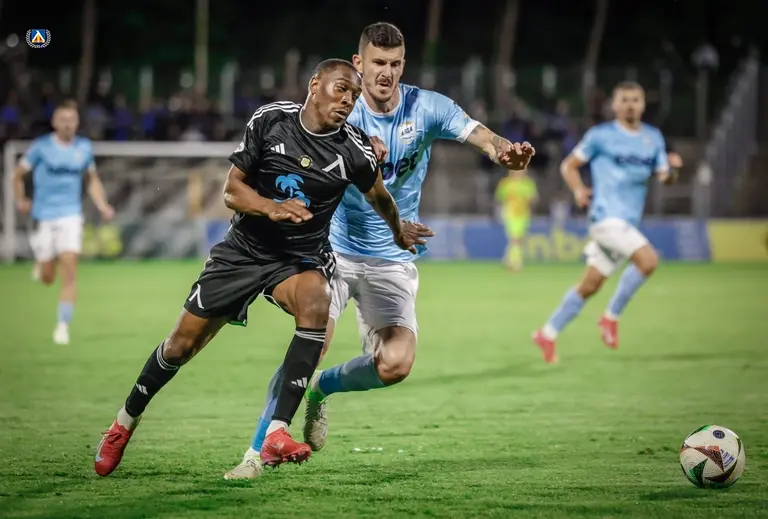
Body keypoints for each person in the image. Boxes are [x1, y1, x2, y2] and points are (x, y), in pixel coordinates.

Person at [225, 22, 534, 480]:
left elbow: (481, 135)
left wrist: (505, 152)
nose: (385, 72)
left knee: (395, 364)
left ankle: (321, 390)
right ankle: (255, 452)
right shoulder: (340, 108)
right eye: (377, 63)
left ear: (403, 66)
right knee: (312, 343)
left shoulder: (427, 107)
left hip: (393, 254)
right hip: (332, 248)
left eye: (394, 64)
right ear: (359, 63)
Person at [93, 58, 430, 477]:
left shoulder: (354, 149)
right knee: (180, 347)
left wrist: (398, 230)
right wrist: (272, 207)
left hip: (299, 258)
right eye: (341, 89)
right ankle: (124, 422)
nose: (348, 100)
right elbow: (232, 191)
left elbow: (378, 194)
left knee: (317, 301)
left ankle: (276, 432)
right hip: (244, 252)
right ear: (314, 85)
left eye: (354, 95)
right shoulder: (272, 120)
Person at [532, 81, 683, 364]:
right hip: (605, 218)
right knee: (648, 261)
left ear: (643, 104)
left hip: (627, 223)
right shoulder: (601, 136)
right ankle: (611, 317)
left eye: (635, 100)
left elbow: (665, 177)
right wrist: (578, 190)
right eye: (624, 100)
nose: (630, 105)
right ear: (614, 105)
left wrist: (673, 170)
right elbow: (569, 165)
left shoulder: (653, 138)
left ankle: (547, 333)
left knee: (590, 284)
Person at [13, 99, 114, 345]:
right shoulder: (41, 147)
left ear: (77, 122)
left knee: (69, 270)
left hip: (71, 215)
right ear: (54, 122)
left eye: (72, 120)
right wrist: (21, 199)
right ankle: (42, 264)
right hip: (43, 216)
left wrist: (102, 205)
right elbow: (17, 175)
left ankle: (62, 326)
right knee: (48, 278)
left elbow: (91, 179)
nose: (68, 124)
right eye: (63, 119)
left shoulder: (83, 148)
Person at [495, 170, 538, 271]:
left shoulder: (528, 183)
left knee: (518, 239)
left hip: (523, 215)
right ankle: (516, 262)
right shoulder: (506, 183)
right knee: (515, 238)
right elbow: (499, 197)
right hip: (510, 214)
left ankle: (507, 259)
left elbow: (533, 197)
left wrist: (530, 199)